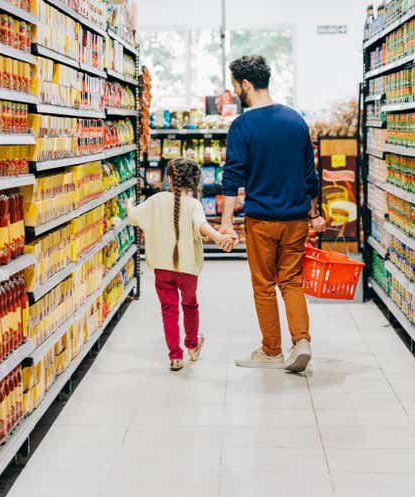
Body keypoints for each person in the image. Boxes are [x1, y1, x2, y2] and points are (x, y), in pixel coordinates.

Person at [220, 55, 326, 373]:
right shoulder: (296, 120)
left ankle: (271, 351)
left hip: (262, 220)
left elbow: (232, 177)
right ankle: (302, 341)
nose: (235, 90)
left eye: (235, 85)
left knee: (264, 284)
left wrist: (226, 223)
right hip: (296, 219)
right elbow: (311, 175)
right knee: (292, 281)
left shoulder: (242, 125)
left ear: (246, 84)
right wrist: (315, 212)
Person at [127, 158, 235, 371]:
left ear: (169, 180)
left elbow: (133, 217)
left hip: (162, 268)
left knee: (169, 310)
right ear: (195, 182)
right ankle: (193, 346)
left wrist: (129, 204)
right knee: (190, 305)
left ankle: (175, 356)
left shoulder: (156, 200)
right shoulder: (194, 204)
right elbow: (201, 226)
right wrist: (218, 237)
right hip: (187, 269)